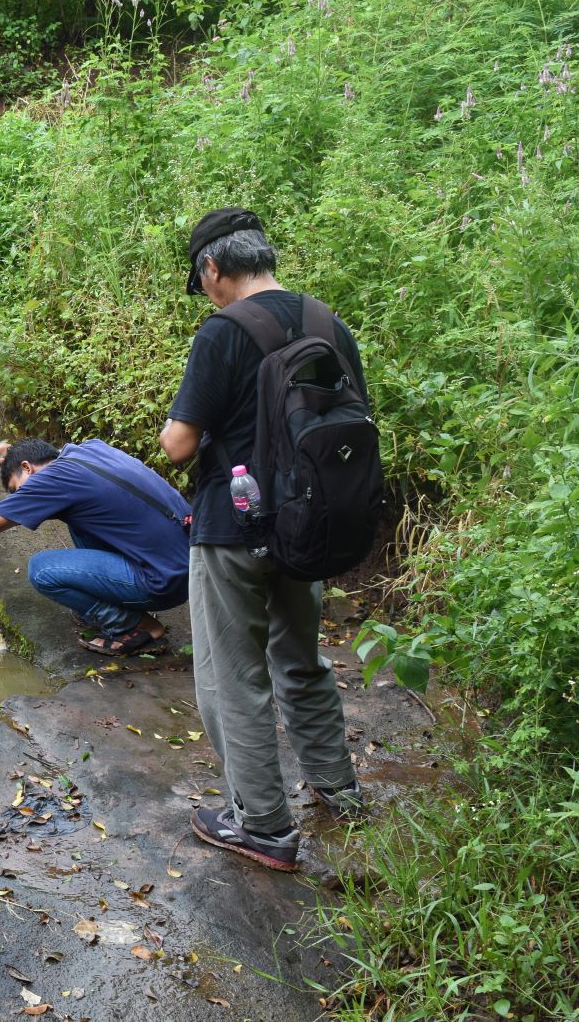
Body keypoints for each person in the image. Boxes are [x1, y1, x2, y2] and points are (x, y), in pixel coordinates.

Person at [159, 207, 367, 873]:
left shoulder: (223, 332)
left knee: (232, 677)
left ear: (213, 268)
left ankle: (263, 825)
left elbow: (177, 445)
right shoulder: (327, 323)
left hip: (232, 528)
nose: (207, 292)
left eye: (203, 281)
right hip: (306, 524)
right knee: (300, 660)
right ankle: (339, 789)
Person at [0, 438, 190, 656]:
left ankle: (135, 627)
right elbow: (42, 454)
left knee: (43, 570)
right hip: (186, 561)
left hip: (162, 580)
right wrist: (12, 451)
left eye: (15, 490)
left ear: (27, 467)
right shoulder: (86, 451)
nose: (18, 499)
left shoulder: (49, 481)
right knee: (80, 518)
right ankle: (122, 605)